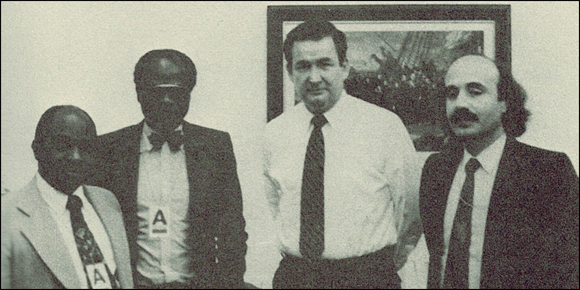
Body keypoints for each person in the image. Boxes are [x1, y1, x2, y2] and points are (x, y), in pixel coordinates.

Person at [263, 20, 421, 289]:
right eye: (303, 66)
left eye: (324, 64)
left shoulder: (384, 125)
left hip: (366, 277)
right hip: (296, 277)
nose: (314, 78)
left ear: (344, 67)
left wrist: (380, 266)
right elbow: (275, 204)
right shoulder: (274, 132)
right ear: (290, 72)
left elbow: (410, 210)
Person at [420, 54, 579, 289]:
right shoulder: (436, 169)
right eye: (452, 94)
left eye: (475, 91)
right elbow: (438, 257)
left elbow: (570, 268)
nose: (460, 104)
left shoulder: (549, 171)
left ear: (504, 102)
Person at [94, 49, 248, 288]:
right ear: (139, 94)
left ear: (189, 94)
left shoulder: (216, 146)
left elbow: (233, 231)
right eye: (156, 92)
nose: (166, 101)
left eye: (175, 92)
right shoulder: (108, 149)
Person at [1, 105, 133, 289]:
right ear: (37, 149)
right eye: (63, 145)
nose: (76, 157)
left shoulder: (106, 201)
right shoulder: (7, 214)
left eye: (86, 147)